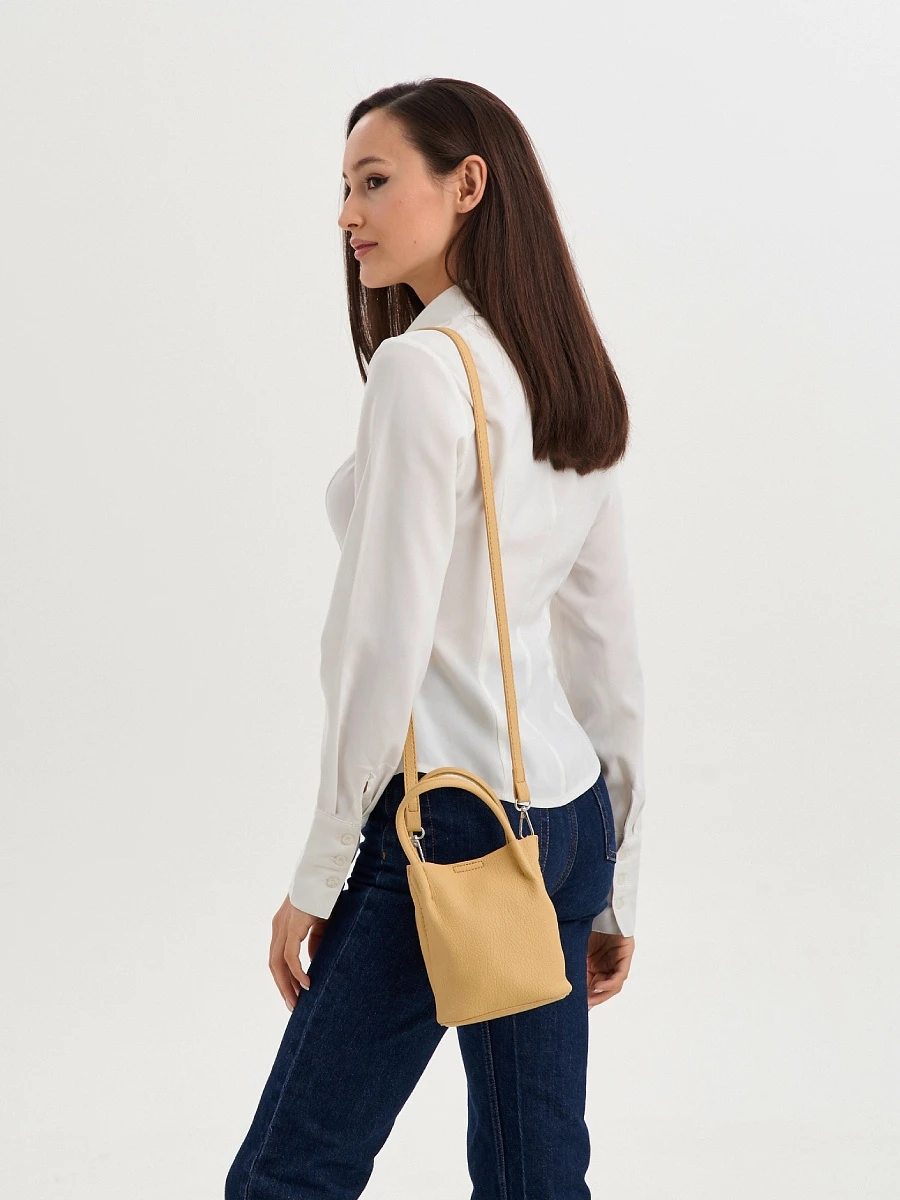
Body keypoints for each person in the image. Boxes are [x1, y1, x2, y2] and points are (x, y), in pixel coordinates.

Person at [225, 76, 646, 1200]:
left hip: (450, 827)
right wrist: (616, 880)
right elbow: (607, 649)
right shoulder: (564, 369)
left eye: (373, 182)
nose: (347, 215)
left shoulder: (424, 370)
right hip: (565, 819)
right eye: (343, 187)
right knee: (533, 1179)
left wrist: (320, 870)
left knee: (290, 1173)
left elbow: (378, 644)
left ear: (467, 184)